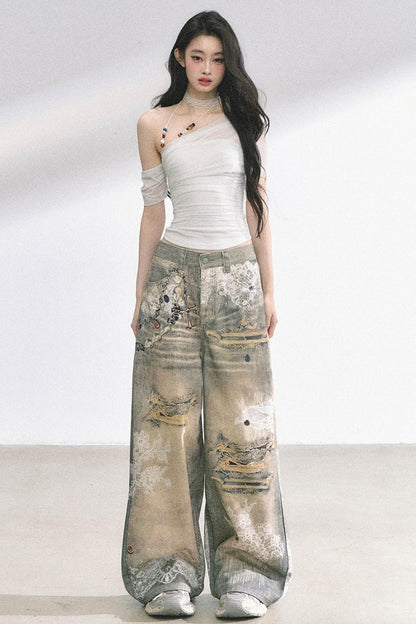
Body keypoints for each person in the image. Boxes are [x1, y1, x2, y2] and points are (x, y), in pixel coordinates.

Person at [121, 10, 292, 619]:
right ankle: (165, 575)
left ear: (229, 63)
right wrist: (140, 295)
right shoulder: (154, 124)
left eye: (218, 59)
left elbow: (257, 206)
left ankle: (248, 576)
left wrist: (269, 289)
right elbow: (152, 213)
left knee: (243, 428)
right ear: (179, 57)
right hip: (171, 280)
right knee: (164, 429)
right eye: (197, 57)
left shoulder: (245, 121)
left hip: (237, 280)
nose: (207, 69)